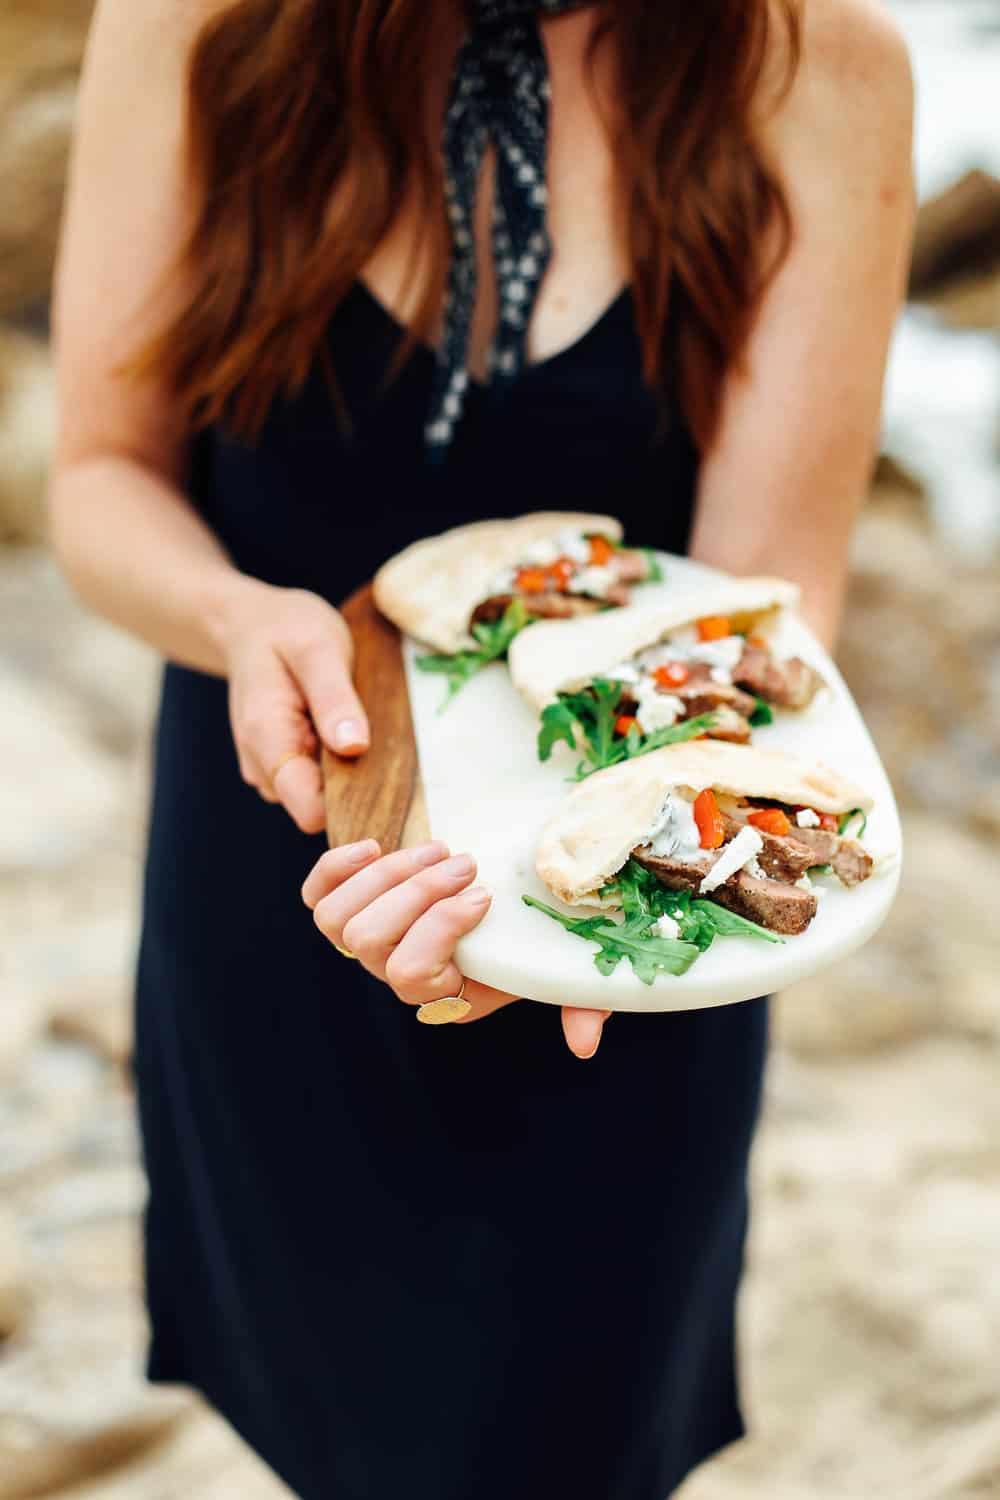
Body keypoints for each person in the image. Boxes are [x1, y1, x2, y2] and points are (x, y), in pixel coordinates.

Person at [49, 1, 914, 1496]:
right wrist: (237, 617)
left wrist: (620, 886)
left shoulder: (820, 63)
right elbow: (96, 476)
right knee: (320, 1405)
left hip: (647, 904)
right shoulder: (195, 17)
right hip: (278, 860)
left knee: (573, 1423)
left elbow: (770, 593)